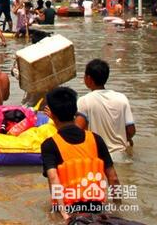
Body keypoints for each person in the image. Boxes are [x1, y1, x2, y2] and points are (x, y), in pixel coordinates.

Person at [41, 87, 120, 220]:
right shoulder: (96, 139)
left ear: (52, 114)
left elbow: (54, 179)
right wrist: (118, 209)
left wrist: (64, 215)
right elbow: (113, 179)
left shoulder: (49, 145)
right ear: (76, 112)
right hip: (98, 211)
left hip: (69, 212)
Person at [77, 59, 136, 162]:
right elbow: (131, 130)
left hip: (98, 158)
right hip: (122, 158)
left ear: (89, 78)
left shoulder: (84, 101)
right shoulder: (122, 98)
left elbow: (77, 131)